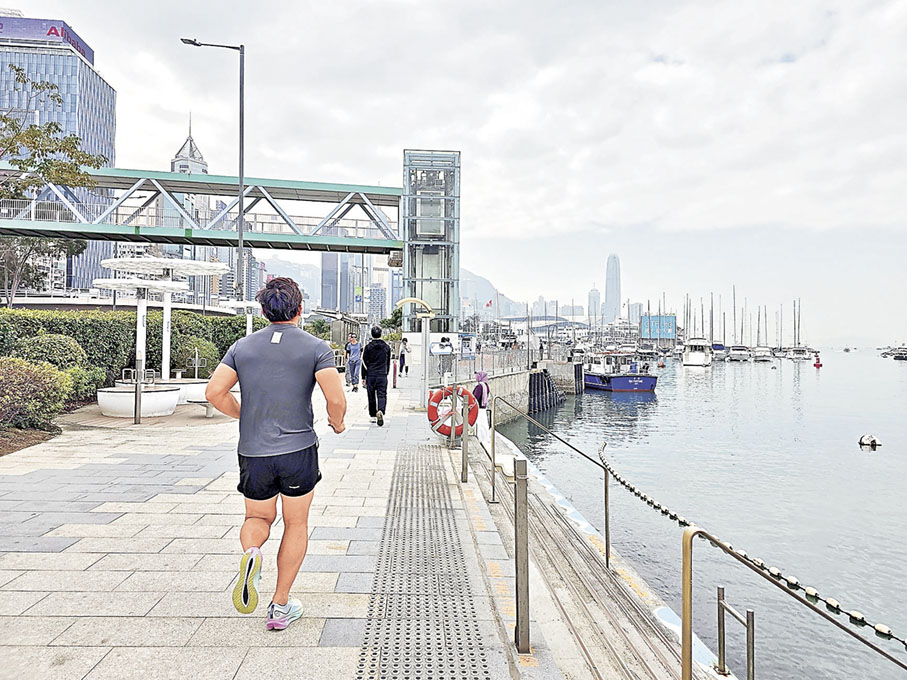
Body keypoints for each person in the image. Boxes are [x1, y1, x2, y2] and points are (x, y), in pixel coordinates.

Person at [205, 277, 347, 631]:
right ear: (299, 309)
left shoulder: (242, 347)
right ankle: (281, 605)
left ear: (264, 311)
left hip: (253, 451)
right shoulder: (316, 347)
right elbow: (335, 398)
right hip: (298, 449)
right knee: (295, 522)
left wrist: (245, 412)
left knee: (258, 518)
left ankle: (252, 554)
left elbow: (214, 392)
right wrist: (337, 422)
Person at [361, 325, 391, 426]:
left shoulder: (368, 347)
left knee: (371, 395)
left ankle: (373, 415)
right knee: (382, 394)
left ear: (372, 334)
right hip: (382, 374)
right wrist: (386, 373)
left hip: (371, 374)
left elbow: (364, 362)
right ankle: (381, 411)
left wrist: (363, 377)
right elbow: (388, 362)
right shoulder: (386, 347)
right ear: (381, 334)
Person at [473, 370, 491, 447]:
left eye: (477, 375)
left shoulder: (479, 387)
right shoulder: (486, 386)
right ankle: (485, 438)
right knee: (484, 425)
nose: (476, 377)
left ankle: (480, 438)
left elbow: (475, 397)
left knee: (479, 424)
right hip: (483, 408)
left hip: (479, 409)